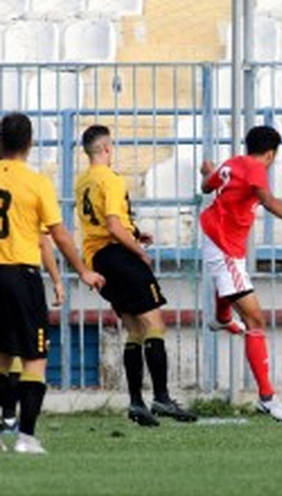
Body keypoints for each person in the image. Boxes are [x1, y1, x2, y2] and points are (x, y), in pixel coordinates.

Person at [75, 125, 196, 427]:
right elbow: (115, 226)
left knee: (133, 329)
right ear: (104, 149)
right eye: (111, 146)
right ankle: (162, 397)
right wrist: (138, 251)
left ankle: (136, 403)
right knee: (155, 324)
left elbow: (105, 222)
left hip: (98, 259)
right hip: (119, 255)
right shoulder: (111, 179)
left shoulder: (83, 181)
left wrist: (136, 233)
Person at [0, 112, 105, 453]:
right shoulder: (36, 182)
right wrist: (82, 270)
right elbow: (57, 235)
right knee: (34, 358)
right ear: (29, 144)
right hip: (21, 275)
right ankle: (26, 438)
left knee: (2, 356)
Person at [200, 125, 282, 422]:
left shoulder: (232, 163)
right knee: (255, 319)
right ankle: (268, 398)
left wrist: (209, 171)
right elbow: (268, 200)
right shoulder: (255, 167)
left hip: (218, 238)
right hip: (223, 245)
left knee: (232, 285)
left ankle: (223, 317)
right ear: (271, 154)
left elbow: (206, 187)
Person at [1, 233, 64, 432]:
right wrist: (57, 280)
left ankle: (9, 415)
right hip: (22, 274)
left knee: (5, 351)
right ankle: (24, 433)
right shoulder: (31, 201)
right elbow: (44, 240)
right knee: (32, 355)